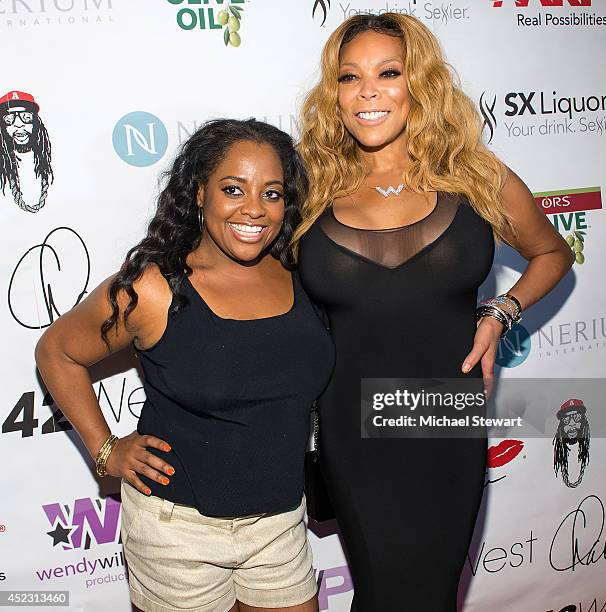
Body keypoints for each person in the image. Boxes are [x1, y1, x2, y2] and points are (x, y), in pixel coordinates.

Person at [295, 14, 573, 611]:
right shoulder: (306, 187)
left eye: (387, 73)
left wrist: (500, 311)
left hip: (444, 412)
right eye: (350, 77)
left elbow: (551, 252)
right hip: (353, 423)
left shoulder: (476, 176)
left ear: (418, 83)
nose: (367, 91)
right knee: (379, 589)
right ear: (334, 93)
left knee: (432, 593)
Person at [35, 118, 334, 612]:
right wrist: (104, 448)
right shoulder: (154, 288)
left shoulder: (304, 274)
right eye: (233, 189)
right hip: (178, 533)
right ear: (199, 193)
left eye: (273, 193)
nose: (255, 209)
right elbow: (57, 352)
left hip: (280, 523)